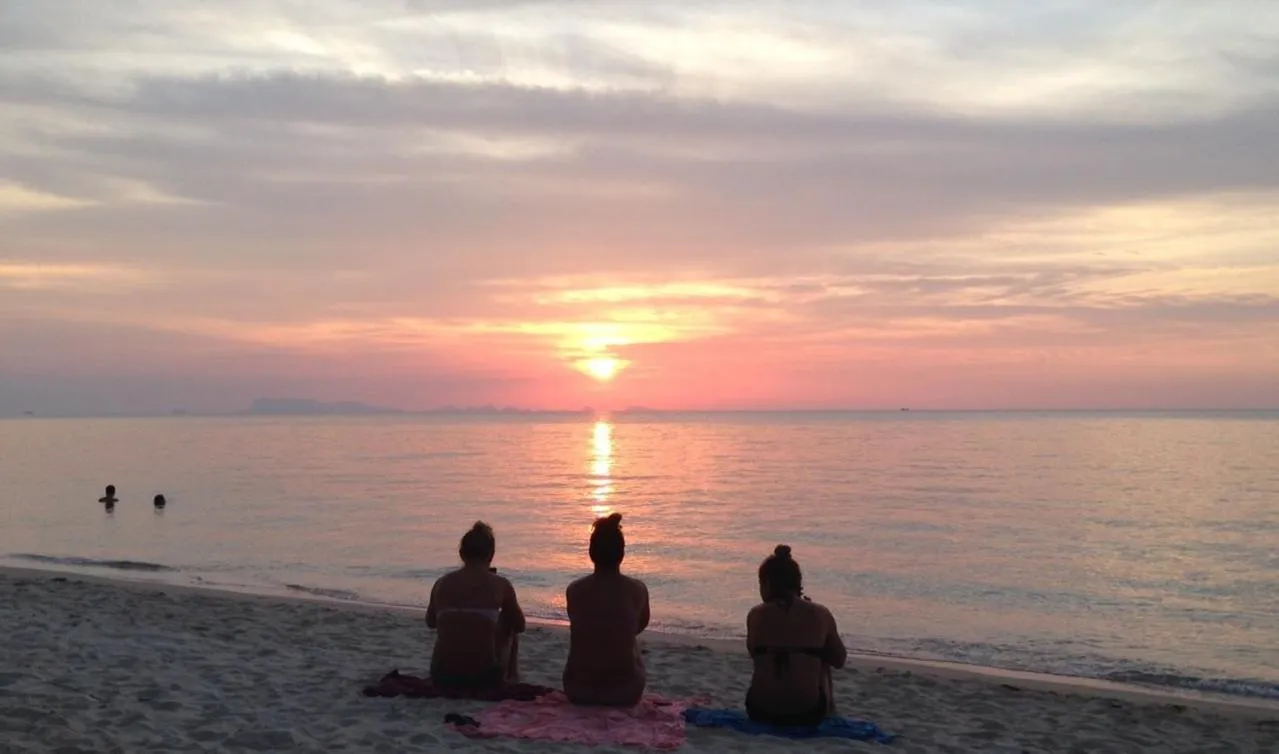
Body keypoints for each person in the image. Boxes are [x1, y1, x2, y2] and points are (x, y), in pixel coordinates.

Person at [745, 544, 847, 726]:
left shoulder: (755, 615)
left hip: (760, 710)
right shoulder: (820, 613)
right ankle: (831, 712)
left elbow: (754, 653)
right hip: (808, 713)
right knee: (822, 657)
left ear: (767, 584)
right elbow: (839, 659)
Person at [563, 513, 650, 706]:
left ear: (591, 552)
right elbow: (639, 626)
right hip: (624, 693)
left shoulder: (574, 590)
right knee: (631, 640)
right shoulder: (637, 590)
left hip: (578, 690)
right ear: (622, 553)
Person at [425, 522, 525, 687]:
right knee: (509, 623)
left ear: (461, 554)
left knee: (451, 622)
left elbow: (431, 622)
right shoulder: (500, 584)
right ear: (490, 555)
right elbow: (520, 625)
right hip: (485, 677)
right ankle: (512, 676)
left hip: (442, 675)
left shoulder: (441, 583)